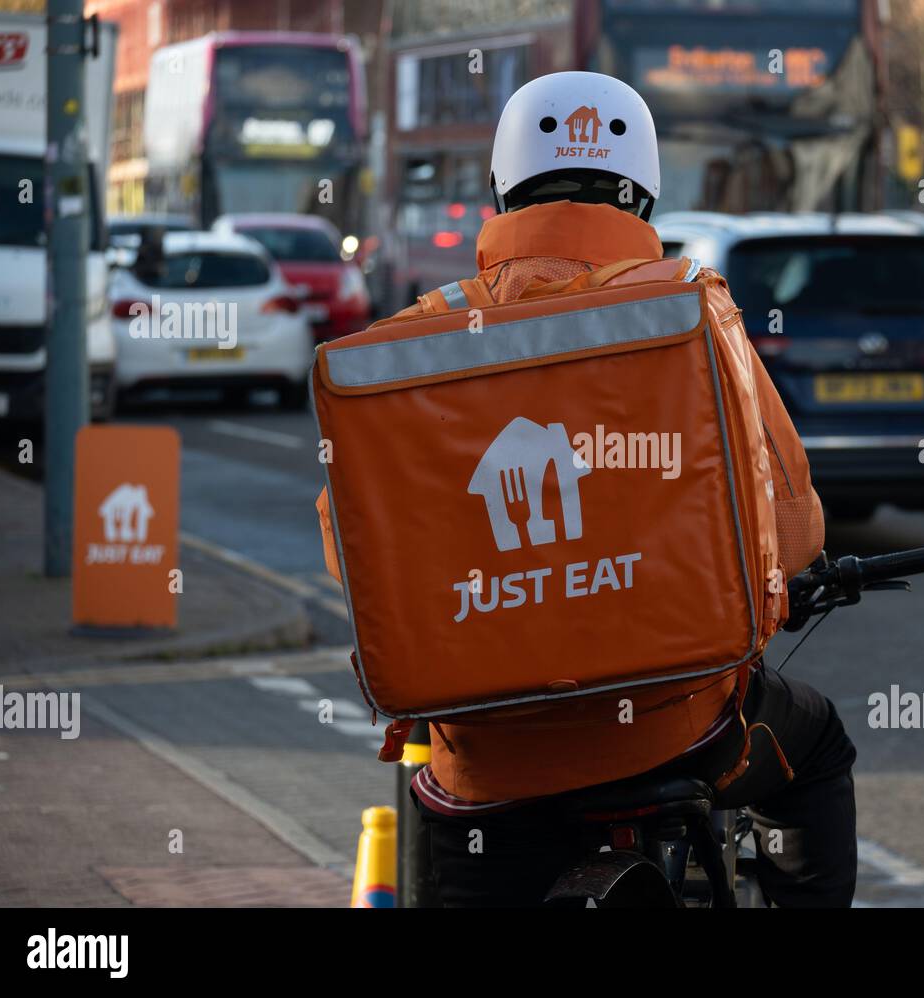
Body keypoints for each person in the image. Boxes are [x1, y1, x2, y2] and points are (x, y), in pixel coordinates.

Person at [316, 71, 857, 907]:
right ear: (642, 193)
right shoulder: (688, 315)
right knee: (818, 750)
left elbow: (356, 558)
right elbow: (789, 526)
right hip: (683, 730)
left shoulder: (412, 345)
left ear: (501, 188)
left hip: (485, 768)